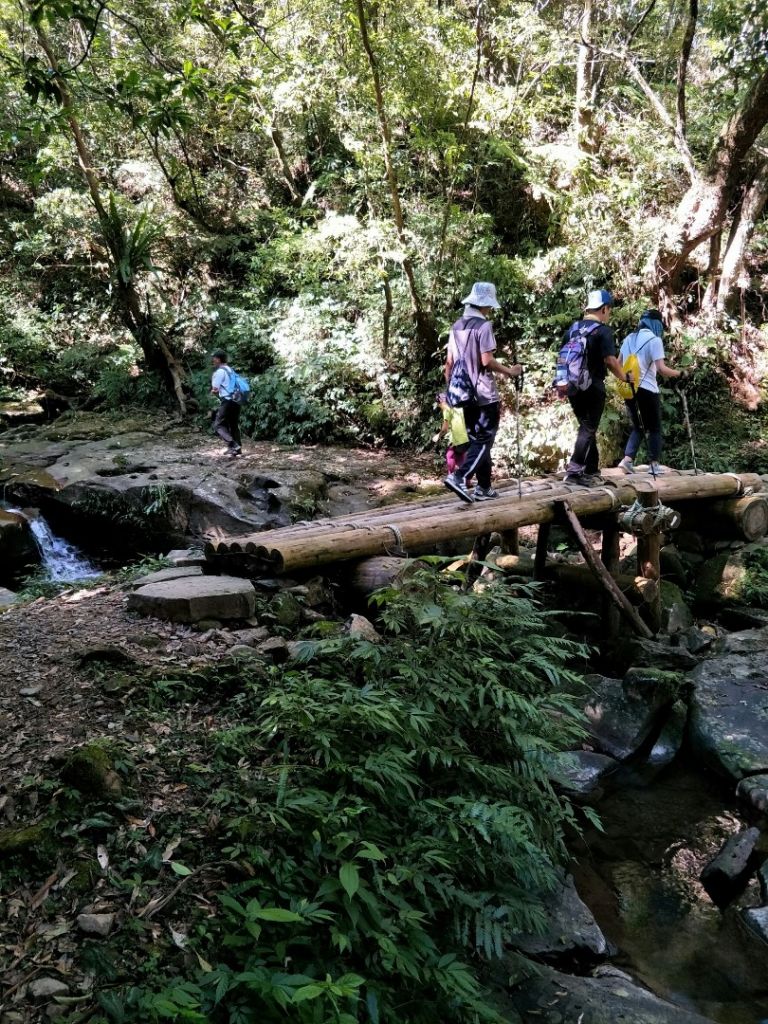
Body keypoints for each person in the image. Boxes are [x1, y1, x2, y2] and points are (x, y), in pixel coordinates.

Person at [443, 282, 523, 503]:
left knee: (477, 440)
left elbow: (448, 363)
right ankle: (459, 476)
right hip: (484, 395)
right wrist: (510, 371)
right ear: (485, 304)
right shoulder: (483, 327)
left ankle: (484, 487)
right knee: (485, 440)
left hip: (462, 394)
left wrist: (451, 391)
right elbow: (486, 361)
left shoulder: (457, 326)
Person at [562, 289, 627, 487]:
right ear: (604, 309)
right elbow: (610, 361)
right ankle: (574, 472)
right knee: (588, 428)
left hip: (571, 386)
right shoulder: (603, 331)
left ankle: (591, 469)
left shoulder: (571, 329)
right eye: (609, 310)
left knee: (586, 427)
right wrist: (625, 377)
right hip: (593, 386)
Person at [617, 309, 684, 475]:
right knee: (654, 428)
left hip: (629, 389)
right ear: (656, 324)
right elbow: (662, 369)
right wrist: (680, 373)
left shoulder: (628, 339)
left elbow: (618, 363)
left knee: (638, 427)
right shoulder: (654, 340)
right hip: (647, 390)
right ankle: (654, 465)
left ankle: (627, 461)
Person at [210, 349, 243, 457]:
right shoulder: (230, 370)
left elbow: (215, 389)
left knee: (218, 424)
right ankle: (237, 449)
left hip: (227, 400)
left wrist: (213, 391)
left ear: (218, 359)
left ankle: (232, 444)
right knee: (233, 424)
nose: (213, 360)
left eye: (214, 358)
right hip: (237, 400)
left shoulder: (220, 371)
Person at [434, 393, 469, 474]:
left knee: (450, 456)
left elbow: (444, 429)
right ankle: (466, 481)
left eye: (439, 404)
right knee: (461, 458)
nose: (439, 406)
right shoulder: (458, 407)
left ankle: (451, 477)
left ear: (441, 402)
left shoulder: (446, 409)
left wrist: (437, 436)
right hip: (465, 436)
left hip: (457, 438)